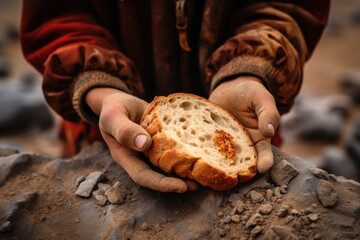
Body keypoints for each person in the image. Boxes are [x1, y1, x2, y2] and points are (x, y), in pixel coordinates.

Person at [20, 0, 330, 193]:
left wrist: (248, 70)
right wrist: (100, 89)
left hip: (247, 124)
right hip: (102, 127)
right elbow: (57, 16)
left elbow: (287, 7)